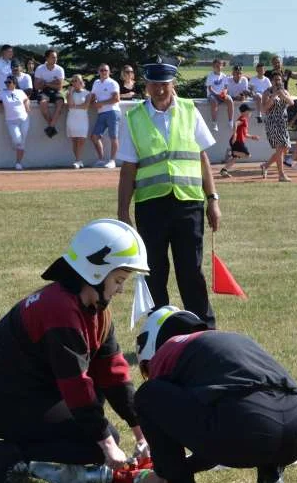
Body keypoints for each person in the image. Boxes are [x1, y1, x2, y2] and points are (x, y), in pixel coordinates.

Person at [0, 219, 152, 483]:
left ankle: (38, 451)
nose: (121, 289)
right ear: (96, 273)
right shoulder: (59, 311)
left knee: (97, 419)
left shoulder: (96, 311)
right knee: (97, 442)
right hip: (0, 401)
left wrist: (141, 432)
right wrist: (108, 444)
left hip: (33, 391)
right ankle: (5, 454)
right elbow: (76, 385)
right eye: (118, 280)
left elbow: (113, 374)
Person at [132, 306, 297, 483]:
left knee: (147, 396)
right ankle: (271, 478)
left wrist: (164, 471)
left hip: (246, 428)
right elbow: (213, 438)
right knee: (251, 408)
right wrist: (181, 467)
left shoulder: (168, 351)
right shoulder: (228, 343)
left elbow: (209, 436)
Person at [116, 57, 220, 328]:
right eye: (154, 84)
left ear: (173, 84)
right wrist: (122, 211)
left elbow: (202, 158)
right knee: (154, 273)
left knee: (191, 271)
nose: (160, 89)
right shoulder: (133, 118)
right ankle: (159, 332)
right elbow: (128, 168)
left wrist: (213, 200)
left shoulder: (189, 110)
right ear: (146, 86)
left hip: (189, 203)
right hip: (151, 206)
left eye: (165, 84)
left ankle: (203, 330)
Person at [0, 74, 31, 170]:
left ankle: (18, 162)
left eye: (9, 82)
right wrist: (0, 105)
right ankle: (17, 147)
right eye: (6, 82)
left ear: (14, 83)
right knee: (17, 140)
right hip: (11, 121)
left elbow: (26, 99)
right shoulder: (3, 93)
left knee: (22, 142)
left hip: (24, 119)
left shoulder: (20, 92)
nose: (7, 84)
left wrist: (27, 106)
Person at [260, 74, 293, 182]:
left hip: (283, 122)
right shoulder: (267, 93)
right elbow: (263, 109)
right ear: (272, 81)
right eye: (276, 80)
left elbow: (291, 102)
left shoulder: (284, 91)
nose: (278, 81)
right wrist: (273, 96)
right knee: (280, 147)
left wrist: (283, 95)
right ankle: (281, 175)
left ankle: (265, 165)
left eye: (279, 79)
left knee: (285, 149)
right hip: (272, 122)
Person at [89, 63, 121, 169]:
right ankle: (101, 159)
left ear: (109, 72)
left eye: (106, 70)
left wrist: (101, 103)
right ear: (98, 72)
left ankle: (112, 161)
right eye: (102, 70)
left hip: (113, 112)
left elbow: (116, 99)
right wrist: (92, 103)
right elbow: (92, 97)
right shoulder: (96, 83)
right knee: (94, 136)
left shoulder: (113, 83)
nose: (104, 72)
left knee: (113, 137)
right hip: (101, 113)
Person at [219, 103, 258, 178]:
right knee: (247, 155)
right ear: (244, 112)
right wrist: (235, 135)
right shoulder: (242, 119)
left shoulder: (244, 120)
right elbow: (235, 124)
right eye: (249, 111)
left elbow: (245, 134)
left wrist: (252, 137)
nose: (250, 112)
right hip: (237, 141)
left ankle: (224, 170)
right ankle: (231, 152)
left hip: (237, 141)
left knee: (235, 158)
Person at [34, 49, 66, 138]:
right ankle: (51, 125)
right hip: (44, 92)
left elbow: (59, 87)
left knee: (60, 103)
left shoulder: (60, 69)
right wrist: (53, 83)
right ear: (47, 58)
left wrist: (45, 83)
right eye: (53, 57)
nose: (55, 59)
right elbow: (36, 86)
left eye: (56, 57)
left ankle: (50, 127)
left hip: (56, 92)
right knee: (43, 103)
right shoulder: (40, 69)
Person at [65, 74, 91, 169]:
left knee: (81, 140)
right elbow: (70, 105)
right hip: (72, 118)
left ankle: (78, 160)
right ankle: (78, 160)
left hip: (82, 119)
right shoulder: (69, 93)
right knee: (75, 141)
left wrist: (76, 106)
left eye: (78, 80)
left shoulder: (88, 93)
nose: (76, 82)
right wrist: (71, 92)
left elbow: (86, 106)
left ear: (81, 82)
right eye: (74, 81)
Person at [205, 58, 234, 132]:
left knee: (230, 100)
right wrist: (217, 94)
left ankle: (230, 121)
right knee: (214, 102)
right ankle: (214, 123)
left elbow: (226, 87)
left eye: (219, 66)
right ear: (213, 67)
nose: (218, 68)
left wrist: (224, 93)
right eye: (216, 66)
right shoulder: (210, 76)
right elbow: (210, 88)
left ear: (222, 66)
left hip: (221, 95)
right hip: (212, 95)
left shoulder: (224, 76)